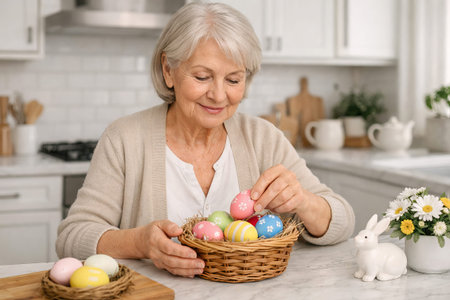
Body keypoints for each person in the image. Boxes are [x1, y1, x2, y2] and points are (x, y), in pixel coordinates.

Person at [56, 2, 355, 278]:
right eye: (202, 77)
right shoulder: (124, 138)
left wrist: (302, 201)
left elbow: (343, 220)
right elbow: (72, 236)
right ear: (168, 70)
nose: (219, 95)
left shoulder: (261, 137)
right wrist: (138, 242)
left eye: (234, 80)